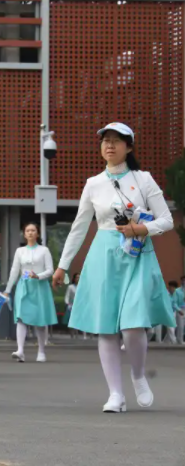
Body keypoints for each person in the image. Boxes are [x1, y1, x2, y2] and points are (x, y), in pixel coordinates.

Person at [52, 122, 174, 413]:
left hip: (138, 254)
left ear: (129, 147)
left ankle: (138, 374)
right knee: (106, 327)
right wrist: (62, 266)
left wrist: (141, 229)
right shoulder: (93, 183)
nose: (109, 145)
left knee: (133, 325)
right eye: (105, 140)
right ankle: (115, 395)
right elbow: (79, 227)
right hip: (104, 256)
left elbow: (167, 220)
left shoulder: (143, 179)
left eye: (117, 141)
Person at [4, 222, 57, 362]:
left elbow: (50, 270)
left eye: (33, 230)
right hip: (24, 286)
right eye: (28, 230)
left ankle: (41, 351)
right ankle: (20, 350)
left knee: (40, 320)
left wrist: (38, 276)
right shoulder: (19, 251)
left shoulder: (44, 250)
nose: (30, 233)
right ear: (24, 233)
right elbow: (14, 271)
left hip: (39, 286)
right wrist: (8, 290)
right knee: (21, 317)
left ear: (38, 233)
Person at [63, 273, 86, 339]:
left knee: (82, 319)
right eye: (76, 277)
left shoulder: (83, 286)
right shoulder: (70, 287)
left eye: (79, 277)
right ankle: (72, 334)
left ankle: (84, 335)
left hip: (81, 305)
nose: (78, 279)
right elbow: (67, 296)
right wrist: (67, 303)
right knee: (72, 320)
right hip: (72, 305)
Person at [175, 277, 185, 344]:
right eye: (183, 280)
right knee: (181, 326)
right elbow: (174, 302)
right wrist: (178, 310)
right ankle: (180, 340)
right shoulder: (177, 291)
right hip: (181, 309)